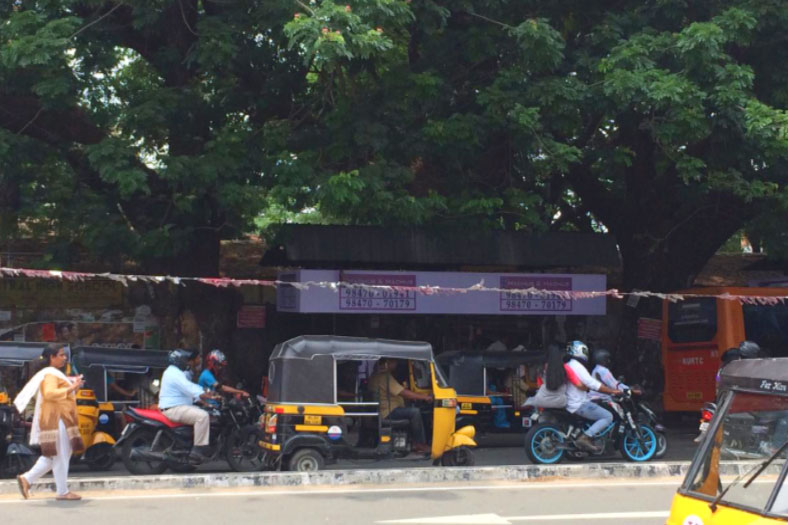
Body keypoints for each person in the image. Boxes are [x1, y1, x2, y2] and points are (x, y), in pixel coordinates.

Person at [14, 344, 85, 500]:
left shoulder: (54, 374)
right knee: (61, 455)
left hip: (60, 419)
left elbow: (60, 394)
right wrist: (72, 386)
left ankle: (27, 479)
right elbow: (50, 394)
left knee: (54, 456)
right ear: (52, 357)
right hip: (57, 420)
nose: (64, 358)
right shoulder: (51, 375)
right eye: (61, 355)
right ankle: (62, 491)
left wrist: (75, 386)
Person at [159, 348, 218, 462]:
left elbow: (188, 390)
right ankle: (198, 449)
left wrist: (203, 399)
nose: (187, 362)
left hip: (179, 406)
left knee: (204, 412)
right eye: (185, 360)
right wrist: (207, 395)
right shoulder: (174, 373)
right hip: (174, 409)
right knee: (202, 416)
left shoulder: (176, 372)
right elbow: (189, 388)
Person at [564, 341, 622, 453]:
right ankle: (586, 437)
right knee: (608, 416)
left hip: (572, 402)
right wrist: (612, 391)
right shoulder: (577, 366)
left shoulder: (570, 364)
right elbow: (592, 384)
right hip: (579, 404)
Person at [367, 358, 433, 454]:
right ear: (387, 363)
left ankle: (413, 441)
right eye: (394, 362)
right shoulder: (384, 377)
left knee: (412, 409)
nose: (396, 364)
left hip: (385, 410)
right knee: (415, 412)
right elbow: (403, 392)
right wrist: (424, 397)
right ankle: (420, 444)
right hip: (389, 412)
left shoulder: (375, 376)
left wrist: (415, 397)